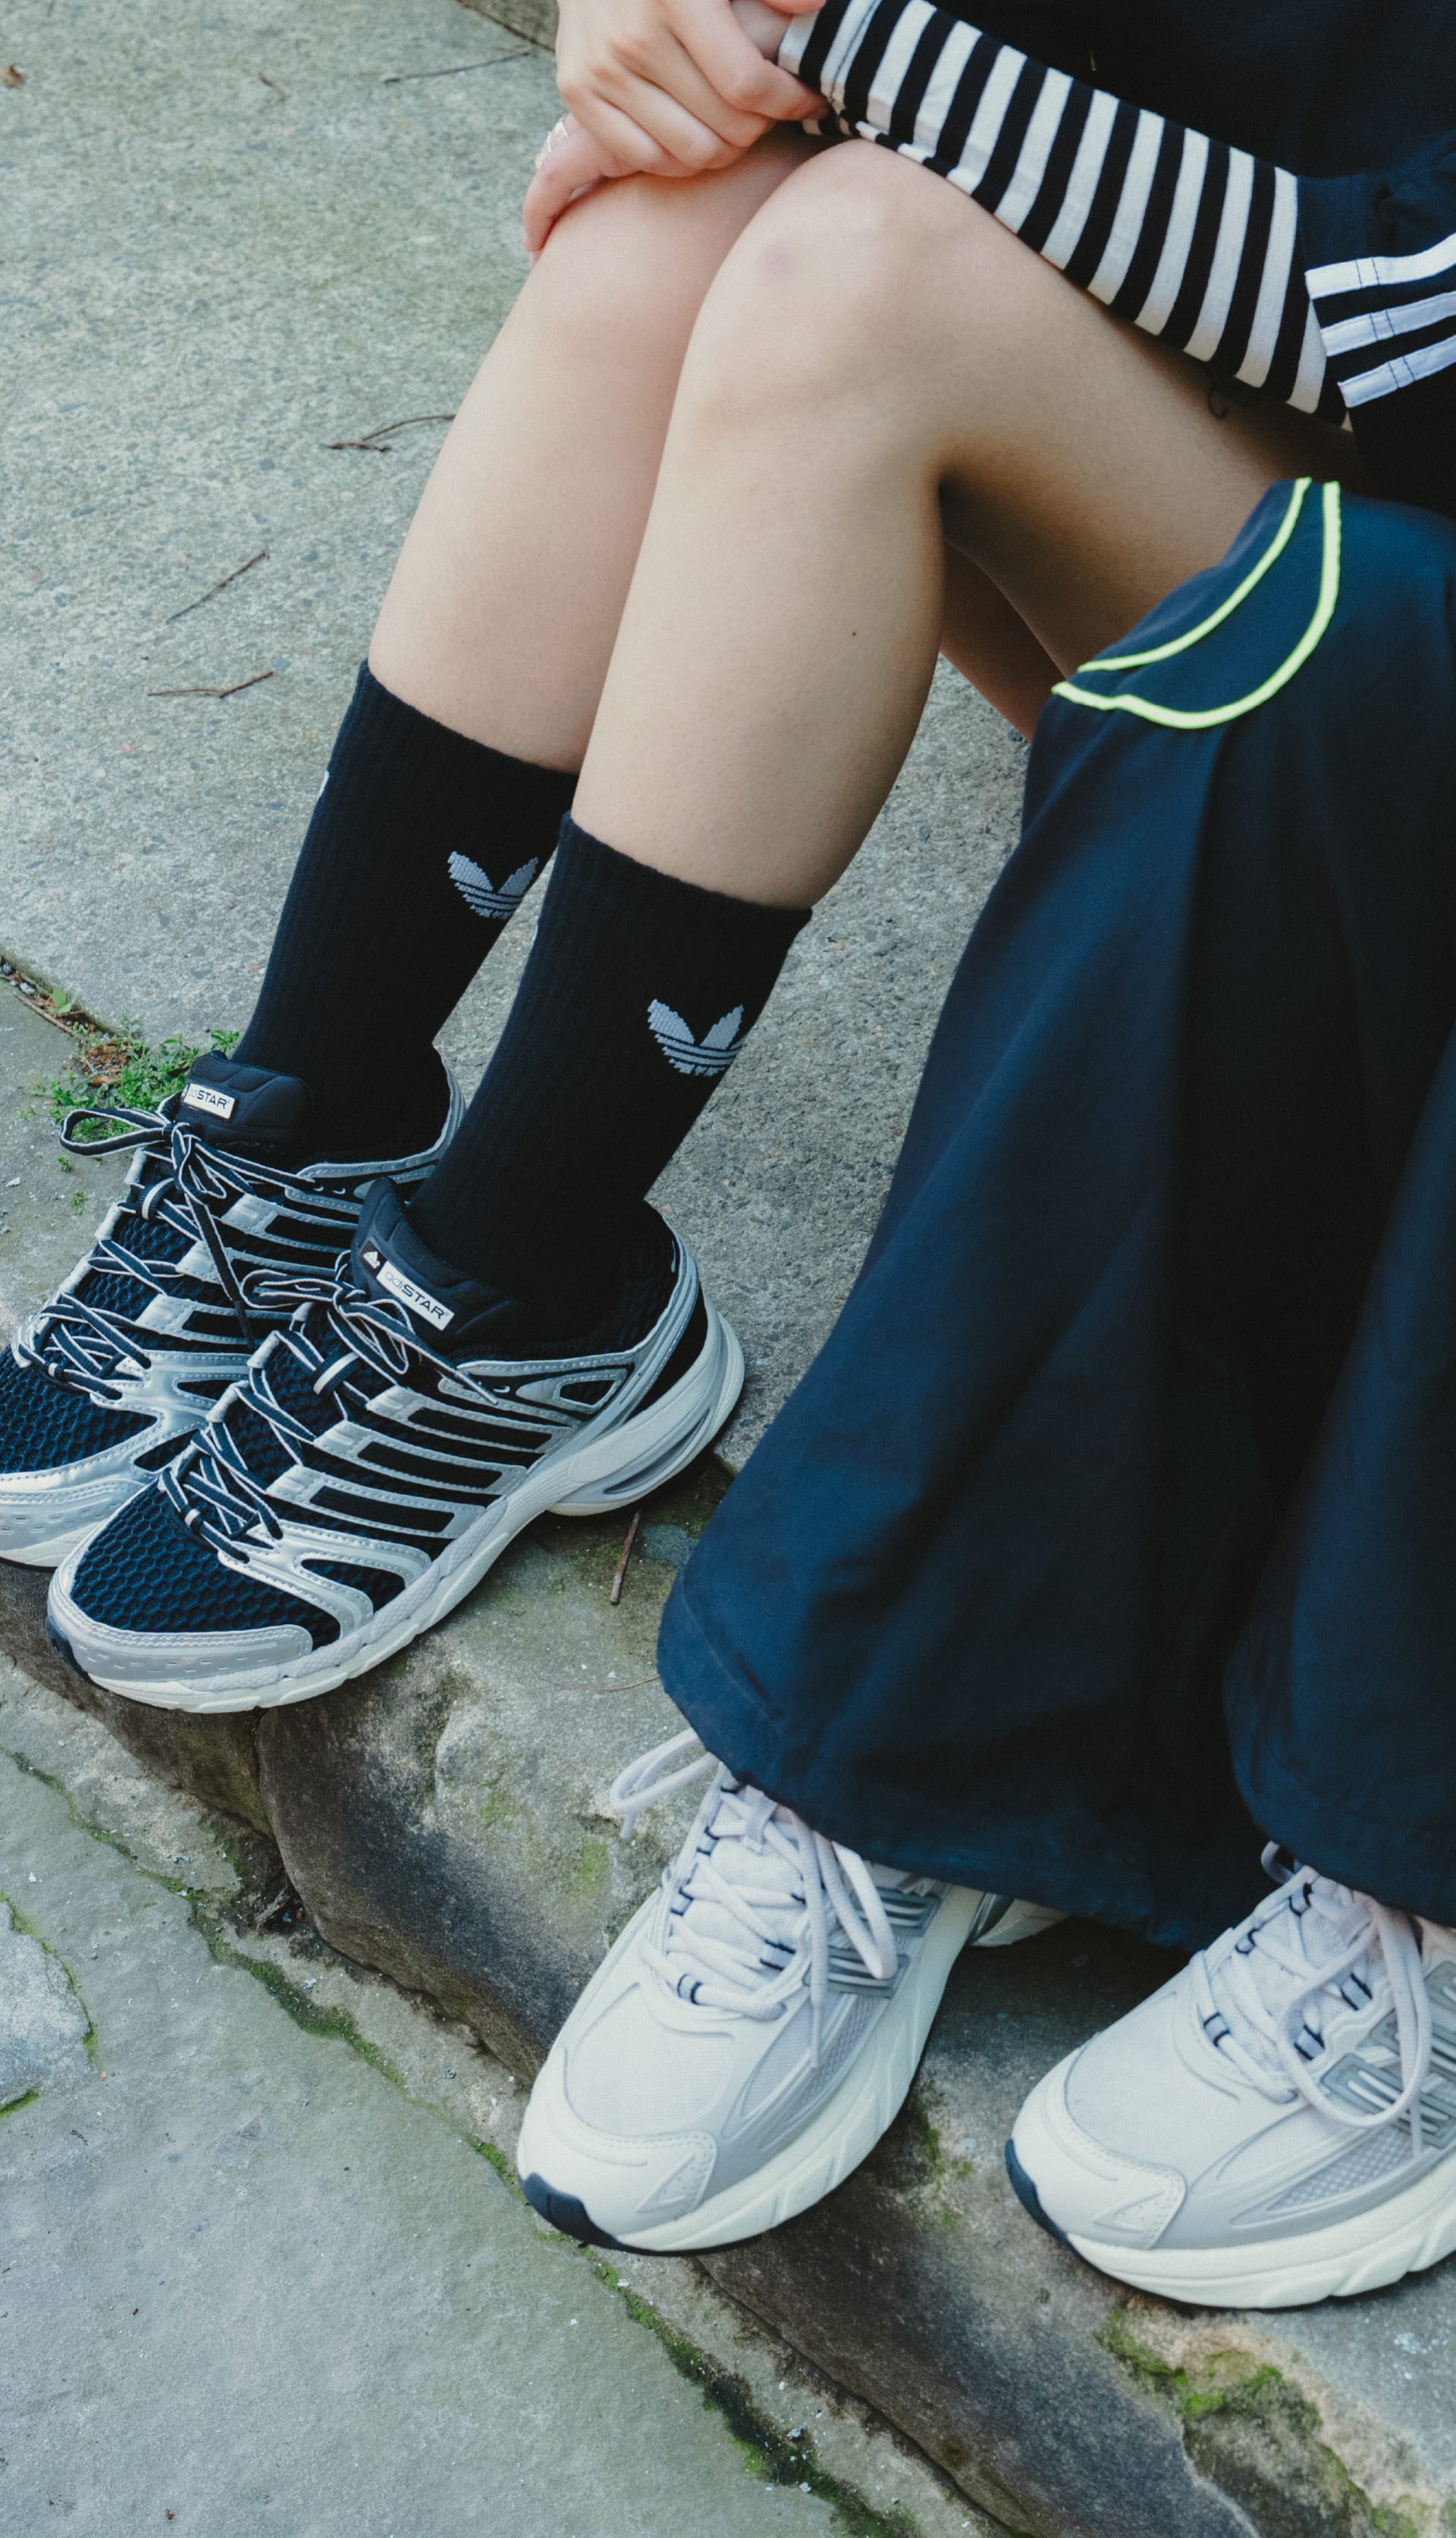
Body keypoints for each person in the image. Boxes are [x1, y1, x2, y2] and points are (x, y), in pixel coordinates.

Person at [6, 0, 1456, 2303]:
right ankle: (319, 1137)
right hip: (1269, 530)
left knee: (853, 262)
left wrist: (816, 35)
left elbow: (1379, 312)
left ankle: (509, 1264)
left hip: (1378, 623)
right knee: (674, 229)